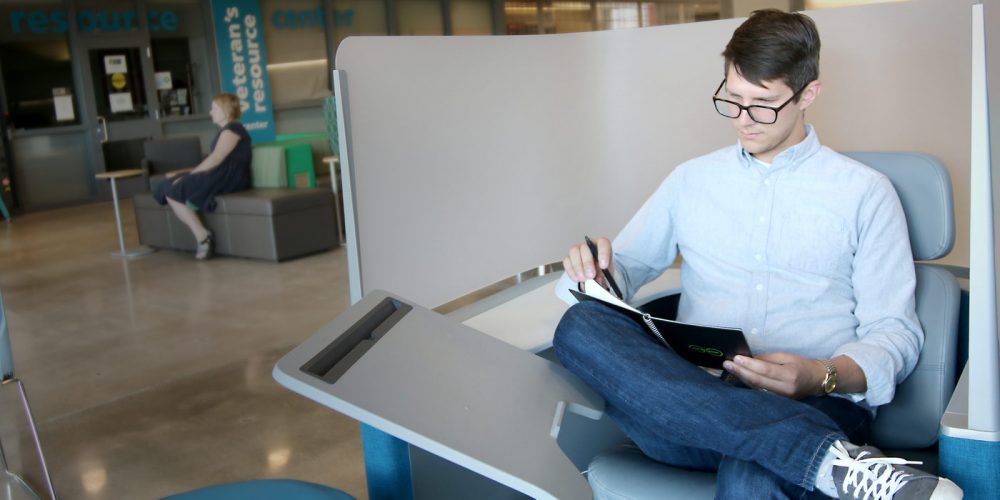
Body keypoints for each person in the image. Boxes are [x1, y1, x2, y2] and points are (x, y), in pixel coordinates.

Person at [555, 10, 962, 500]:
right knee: (580, 326)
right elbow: (621, 274)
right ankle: (825, 461)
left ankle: (799, 446)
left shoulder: (864, 193)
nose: (744, 121)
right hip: (687, 406)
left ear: (808, 94)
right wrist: (596, 270)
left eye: (763, 105)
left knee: (753, 473)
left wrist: (821, 375)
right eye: (733, 100)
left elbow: (894, 333)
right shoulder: (691, 181)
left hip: (816, 405)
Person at [153, 93, 252, 260]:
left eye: (214, 108)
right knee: (167, 186)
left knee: (177, 186)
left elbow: (217, 158)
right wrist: (183, 174)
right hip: (219, 173)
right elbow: (214, 160)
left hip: (229, 177)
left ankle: (203, 237)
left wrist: (189, 176)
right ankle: (201, 233)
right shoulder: (224, 130)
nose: (210, 112)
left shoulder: (234, 128)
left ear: (225, 111)